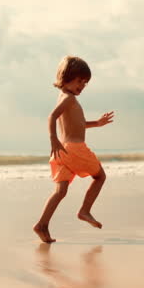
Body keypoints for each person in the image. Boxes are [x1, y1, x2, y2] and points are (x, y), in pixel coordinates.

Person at [33, 56, 114, 243]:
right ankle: (85, 210)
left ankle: (42, 225)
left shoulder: (64, 98)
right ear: (67, 77)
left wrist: (97, 123)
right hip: (74, 149)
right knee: (100, 176)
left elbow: (77, 125)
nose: (82, 86)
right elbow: (51, 117)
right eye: (79, 81)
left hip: (61, 153)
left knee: (60, 192)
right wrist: (53, 138)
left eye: (85, 83)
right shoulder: (69, 99)